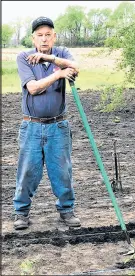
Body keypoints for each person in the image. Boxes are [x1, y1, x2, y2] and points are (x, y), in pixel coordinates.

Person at [13, 16, 81, 230]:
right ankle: (21, 213)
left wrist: (51, 60)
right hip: (31, 126)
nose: (44, 39)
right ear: (33, 38)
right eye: (39, 35)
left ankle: (66, 212)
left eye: (48, 35)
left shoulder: (61, 53)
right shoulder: (24, 57)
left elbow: (76, 67)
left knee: (62, 171)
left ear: (54, 37)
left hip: (58, 126)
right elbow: (33, 88)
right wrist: (59, 74)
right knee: (27, 171)